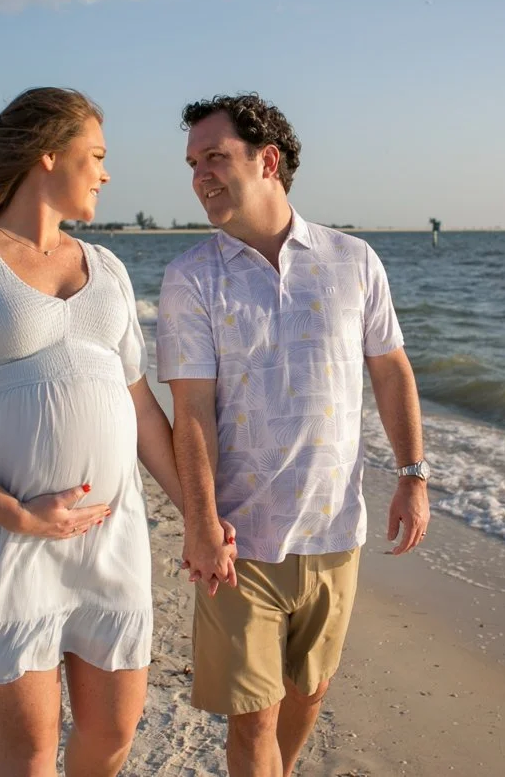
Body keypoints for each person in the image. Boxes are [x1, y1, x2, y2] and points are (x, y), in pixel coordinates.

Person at [0, 87, 216, 777]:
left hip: (110, 537)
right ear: (48, 154)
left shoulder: (112, 271)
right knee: (29, 749)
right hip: (8, 539)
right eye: (96, 154)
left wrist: (198, 515)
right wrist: (18, 513)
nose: (106, 172)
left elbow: (144, 412)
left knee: (113, 734)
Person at [156, 93, 431, 777]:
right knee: (253, 720)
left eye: (215, 157)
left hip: (337, 528)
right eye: (194, 163)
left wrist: (413, 473)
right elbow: (189, 410)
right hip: (240, 539)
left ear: (268, 161)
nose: (200, 176)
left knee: (310, 691)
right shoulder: (192, 276)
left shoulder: (353, 259)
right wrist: (199, 518)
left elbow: (391, 370)